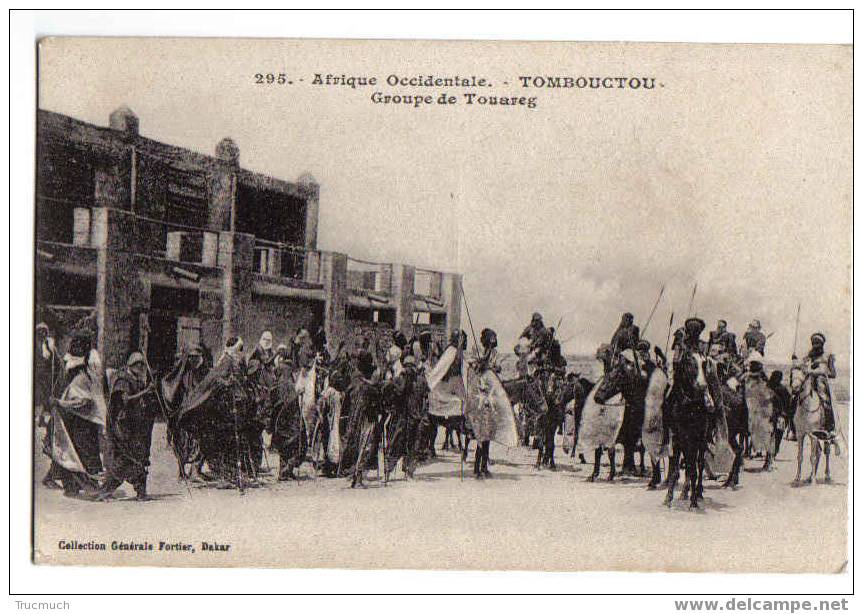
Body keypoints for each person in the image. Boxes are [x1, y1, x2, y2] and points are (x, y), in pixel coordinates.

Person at [47, 331, 108, 498]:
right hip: (78, 422)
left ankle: (87, 486)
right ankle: (76, 486)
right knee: (75, 453)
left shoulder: (80, 379)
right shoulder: (83, 377)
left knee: (81, 453)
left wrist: (60, 403)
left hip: (82, 423)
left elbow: (83, 402)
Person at [98, 352, 160, 501]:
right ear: (131, 365)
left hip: (136, 426)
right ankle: (106, 490)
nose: (141, 367)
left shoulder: (136, 379)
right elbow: (125, 400)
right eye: (138, 364)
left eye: (142, 364)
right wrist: (145, 391)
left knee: (138, 457)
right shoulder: (123, 380)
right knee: (125, 460)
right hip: (123, 427)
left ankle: (141, 492)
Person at [799, 333, 838, 442]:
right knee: (796, 395)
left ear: (822, 344)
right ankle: (793, 427)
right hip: (809, 379)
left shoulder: (827, 356)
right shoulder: (808, 355)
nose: (815, 345)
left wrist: (822, 372)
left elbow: (833, 374)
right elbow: (802, 367)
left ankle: (829, 427)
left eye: (818, 343)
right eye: (814, 343)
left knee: (824, 399)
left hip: (821, 381)